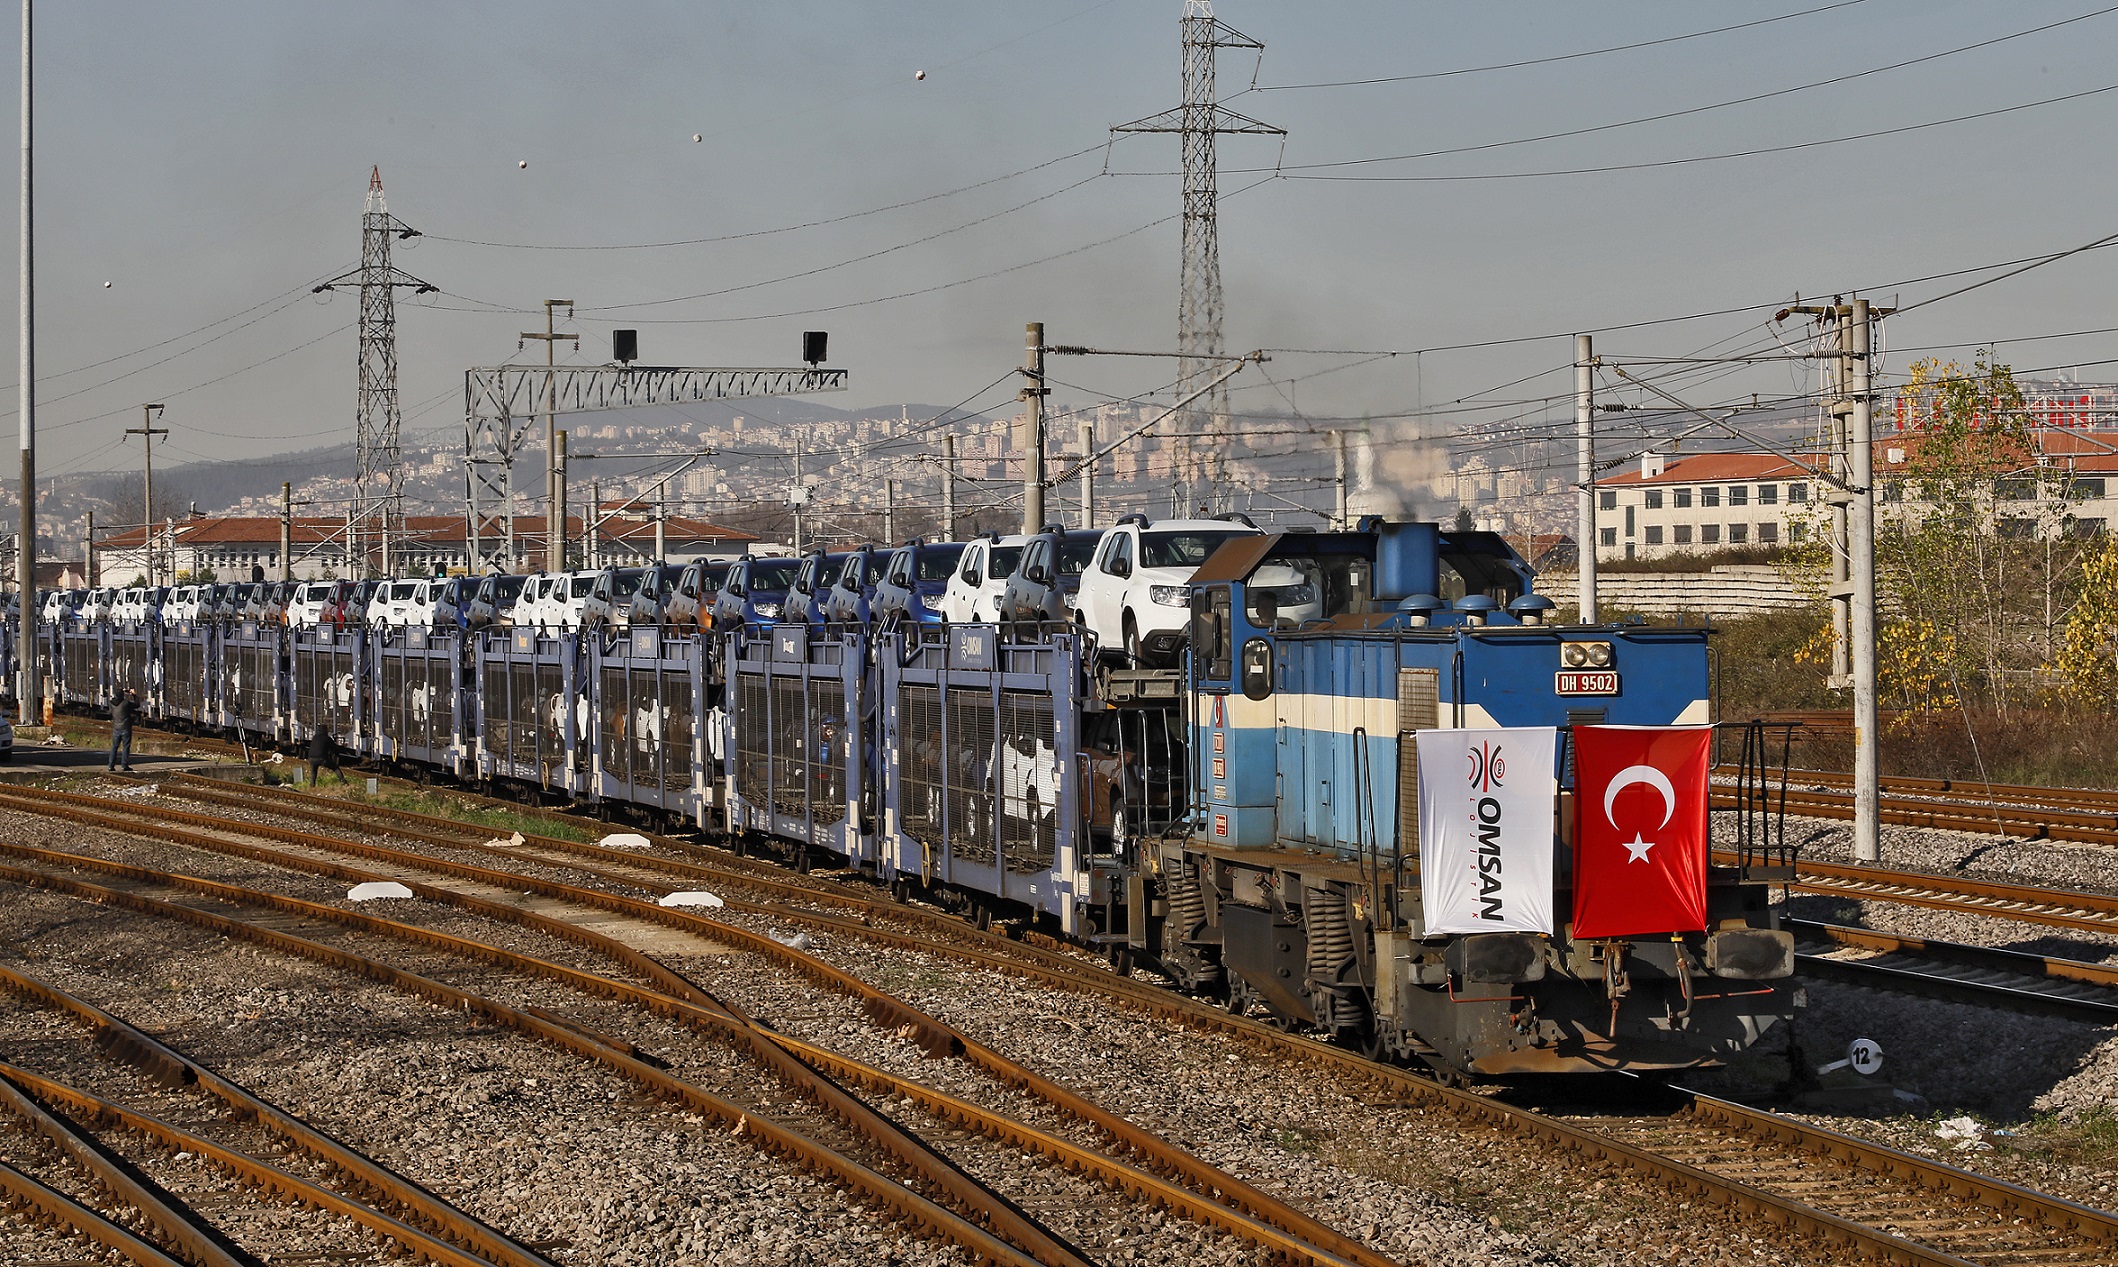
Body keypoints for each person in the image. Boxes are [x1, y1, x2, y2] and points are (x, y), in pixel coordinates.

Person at [107, 688, 138, 773]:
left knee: (114, 747)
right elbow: (137, 705)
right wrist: (134, 695)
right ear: (123, 695)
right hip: (125, 727)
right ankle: (124, 765)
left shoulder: (111, 703)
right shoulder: (125, 703)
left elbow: (110, 713)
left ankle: (111, 765)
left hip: (116, 727)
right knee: (126, 747)